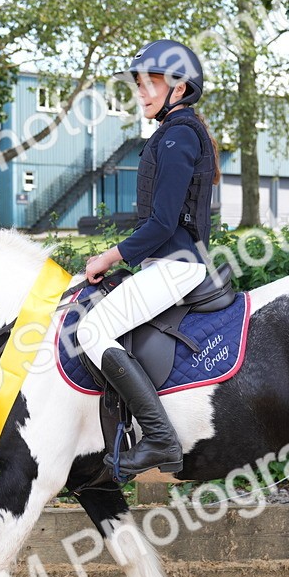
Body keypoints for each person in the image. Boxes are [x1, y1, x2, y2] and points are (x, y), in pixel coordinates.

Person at [80, 39, 221, 479]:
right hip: (163, 264)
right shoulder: (172, 133)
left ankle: (160, 439)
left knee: (92, 329)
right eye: (138, 84)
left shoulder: (179, 135)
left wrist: (109, 256)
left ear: (178, 89)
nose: (140, 92)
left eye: (148, 84)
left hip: (177, 266)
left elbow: (161, 224)